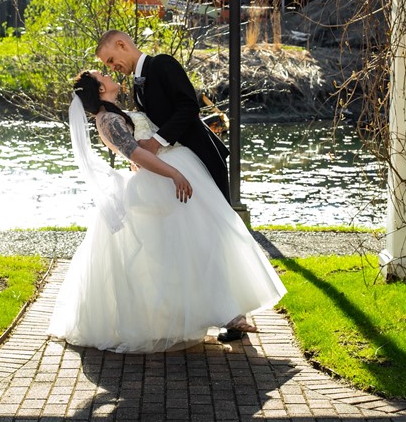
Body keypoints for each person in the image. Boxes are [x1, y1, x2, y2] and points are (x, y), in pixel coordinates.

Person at [47, 71, 286, 353]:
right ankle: (224, 313)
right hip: (160, 184)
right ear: (100, 89)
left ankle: (228, 311)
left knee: (204, 241)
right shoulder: (108, 120)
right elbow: (136, 153)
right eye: (103, 74)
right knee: (194, 246)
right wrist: (174, 173)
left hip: (174, 172)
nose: (109, 74)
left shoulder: (114, 113)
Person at [95, 30, 231, 202]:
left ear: (121, 45)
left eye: (111, 60)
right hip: (181, 167)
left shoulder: (162, 63)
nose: (113, 68)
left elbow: (189, 107)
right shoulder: (137, 85)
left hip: (203, 159)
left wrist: (154, 143)